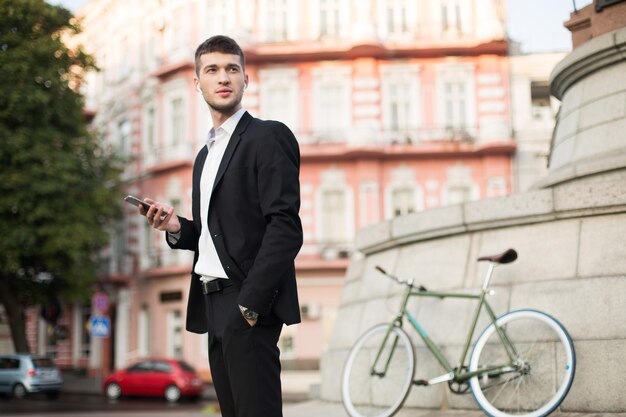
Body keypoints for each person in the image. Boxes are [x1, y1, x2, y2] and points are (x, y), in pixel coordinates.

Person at [138, 35, 303, 417]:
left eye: (232, 68)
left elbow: (285, 227)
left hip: (246, 301)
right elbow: (217, 237)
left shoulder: (267, 135)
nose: (223, 77)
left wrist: (250, 306)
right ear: (197, 82)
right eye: (212, 69)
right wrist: (177, 226)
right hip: (211, 302)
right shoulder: (204, 155)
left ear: (246, 78)